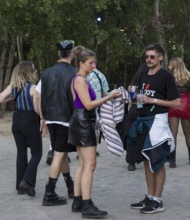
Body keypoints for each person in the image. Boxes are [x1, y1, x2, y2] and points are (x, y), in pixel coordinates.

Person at [68, 45, 121, 218]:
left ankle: (78, 200)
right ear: (82, 63)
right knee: (90, 165)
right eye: (91, 63)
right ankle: (87, 204)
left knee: (83, 164)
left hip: (80, 120)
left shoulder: (79, 78)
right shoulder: (80, 80)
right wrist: (110, 97)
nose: (94, 66)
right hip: (83, 122)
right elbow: (88, 104)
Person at [128, 43, 180, 214]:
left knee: (156, 160)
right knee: (146, 158)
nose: (148, 59)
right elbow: (141, 98)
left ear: (160, 58)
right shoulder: (143, 74)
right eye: (146, 57)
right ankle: (150, 196)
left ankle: (158, 200)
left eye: (152, 56)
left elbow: (176, 102)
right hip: (143, 119)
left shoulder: (166, 76)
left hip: (158, 120)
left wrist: (154, 101)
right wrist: (131, 97)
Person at [36, 40, 76, 206]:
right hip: (66, 118)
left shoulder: (46, 73)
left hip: (51, 117)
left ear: (58, 53)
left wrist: (42, 116)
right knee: (59, 154)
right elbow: (75, 98)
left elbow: (40, 96)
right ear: (72, 54)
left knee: (62, 152)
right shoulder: (74, 73)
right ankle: (49, 192)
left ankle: (70, 185)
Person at [0, 61, 42, 197]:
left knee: (21, 152)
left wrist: (12, 97)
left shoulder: (13, 87)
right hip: (29, 119)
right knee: (37, 153)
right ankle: (27, 181)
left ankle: (20, 187)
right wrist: (42, 117)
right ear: (29, 72)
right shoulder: (33, 88)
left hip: (16, 119)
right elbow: (36, 109)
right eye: (33, 69)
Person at [124, 63, 149, 171]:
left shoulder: (133, 84)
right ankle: (135, 160)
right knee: (138, 137)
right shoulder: (145, 83)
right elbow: (137, 101)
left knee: (132, 137)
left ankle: (131, 162)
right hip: (140, 111)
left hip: (133, 111)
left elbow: (132, 98)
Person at [168, 57, 190, 168]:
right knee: (188, 134)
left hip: (173, 104)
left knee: (173, 134)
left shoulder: (169, 77)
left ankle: (172, 161)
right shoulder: (188, 76)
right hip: (186, 104)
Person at [87, 69, 109, 157]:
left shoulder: (80, 74)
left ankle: (83, 149)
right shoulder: (100, 75)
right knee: (95, 128)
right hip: (96, 106)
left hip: (82, 107)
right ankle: (93, 149)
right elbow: (105, 92)